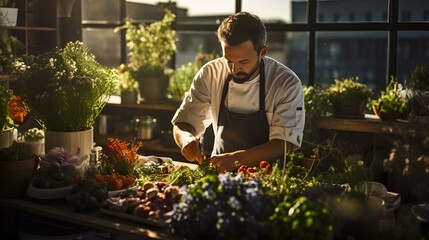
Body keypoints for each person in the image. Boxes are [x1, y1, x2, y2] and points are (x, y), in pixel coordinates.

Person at [171, 11, 305, 173]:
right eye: (229, 60)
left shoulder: (285, 82)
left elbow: (285, 142)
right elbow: (184, 123)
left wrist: (235, 160)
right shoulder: (210, 73)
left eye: (243, 61)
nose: (234, 69)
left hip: (269, 179)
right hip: (219, 176)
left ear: (262, 53)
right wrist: (186, 139)